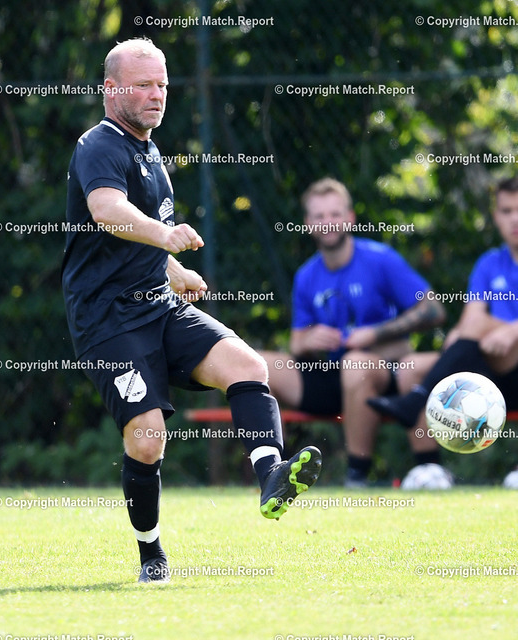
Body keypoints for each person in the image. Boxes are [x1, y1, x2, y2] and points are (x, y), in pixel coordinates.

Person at [61, 38, 322, 583]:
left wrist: (171, 269)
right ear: (111, 89)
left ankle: (271, 476)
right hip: (107, 319)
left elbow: (133, 237)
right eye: (143, 85)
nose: (157, 95)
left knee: (248, 366)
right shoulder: (99, 144)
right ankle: (151, 554)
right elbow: (107, 211)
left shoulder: (150, 152)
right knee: (147, 435)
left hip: (157, 306)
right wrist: (166, 238)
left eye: (162, 85)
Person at [261, 178, 447, 487]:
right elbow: (296, 342)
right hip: (330, 374)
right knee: (257, 365)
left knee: (355, 364)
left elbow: (433, 309)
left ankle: (356, 476)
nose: (327, 222)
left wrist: (374, 334)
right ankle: (269, 471)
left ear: (350, 218)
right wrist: (310, 340)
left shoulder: (380, 258)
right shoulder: (306, 275)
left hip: (381, 374)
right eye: (319, 216)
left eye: (335, 214)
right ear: (308, 223)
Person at [368, 176, 518, 462]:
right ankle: (429, 469)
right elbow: (471, 318)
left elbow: (476, 323)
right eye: (507, 210)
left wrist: (513, 331)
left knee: (474, 328)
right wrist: (462, 337)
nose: (515, 219)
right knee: (410, 368)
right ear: (496, 215)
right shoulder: (489, 263)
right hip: (492, 362)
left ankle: (415, 399)